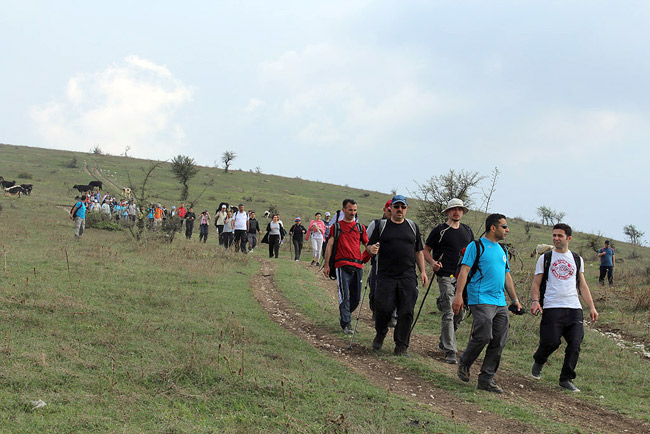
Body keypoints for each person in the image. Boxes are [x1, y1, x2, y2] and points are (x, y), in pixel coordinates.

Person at [452, 213, 523, 394]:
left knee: (499, 340)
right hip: (480, 298)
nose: (507, 230)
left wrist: (515, 300)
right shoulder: (476, 246)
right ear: (493, 228)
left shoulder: (502, 250)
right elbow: (464, 271)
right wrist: (458, 296)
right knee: (483, 335)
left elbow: (507, 276)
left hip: (499, 302)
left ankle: (486, 380)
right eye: (504, 226)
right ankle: (465, 363)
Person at [530, 223, 599, 392]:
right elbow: (536, 282)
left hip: (574, 308)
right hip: (553, 307)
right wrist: (535, 300)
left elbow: (582, 285)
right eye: (554, 235)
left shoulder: (576, 259)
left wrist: (592, 307)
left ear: (568, 238)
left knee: (575, 343)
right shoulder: (545, 258)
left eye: (560, 236)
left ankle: (566, 379)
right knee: (551, 342)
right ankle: (539, 360)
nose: (556, 239)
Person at [367, 195, 428, 356]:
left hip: (408, 276)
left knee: (406, 311)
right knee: (383, 308)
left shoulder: (413, 227)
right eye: (396, 207)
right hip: (385, 276)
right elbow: (369, 246)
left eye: (403, 207)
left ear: (406, 209)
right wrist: (371, 249)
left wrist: (422, 271)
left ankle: (401, 345)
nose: (399, 210)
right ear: (391, 209)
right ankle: (380, 332)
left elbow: (419, 251)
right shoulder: (382, 226)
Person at [423, 198, 475, 364]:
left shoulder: (467, 230)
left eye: (459, 209)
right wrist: (432, 263)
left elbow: (472, 253)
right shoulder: (440, 230)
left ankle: (444, 340)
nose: (457, 212)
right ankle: (450, 350)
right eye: (453, 209)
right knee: (449, 311)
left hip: (462, 277)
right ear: (447, 212)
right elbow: (425, 250)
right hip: (445, 275)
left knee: (460, 312)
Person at [323, 199, 369, 335]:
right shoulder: (336, 227)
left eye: (355, 210)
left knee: (356, 298)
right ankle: (346, 323)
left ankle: (345, 314)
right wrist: (326, 265)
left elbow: (367, 245)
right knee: (345, 295)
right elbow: (329, 246)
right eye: (350, 210)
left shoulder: (361, 228)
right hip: (342, 265)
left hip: (358, 265)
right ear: (343, 210)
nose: (353, 213)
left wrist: (372, 252)